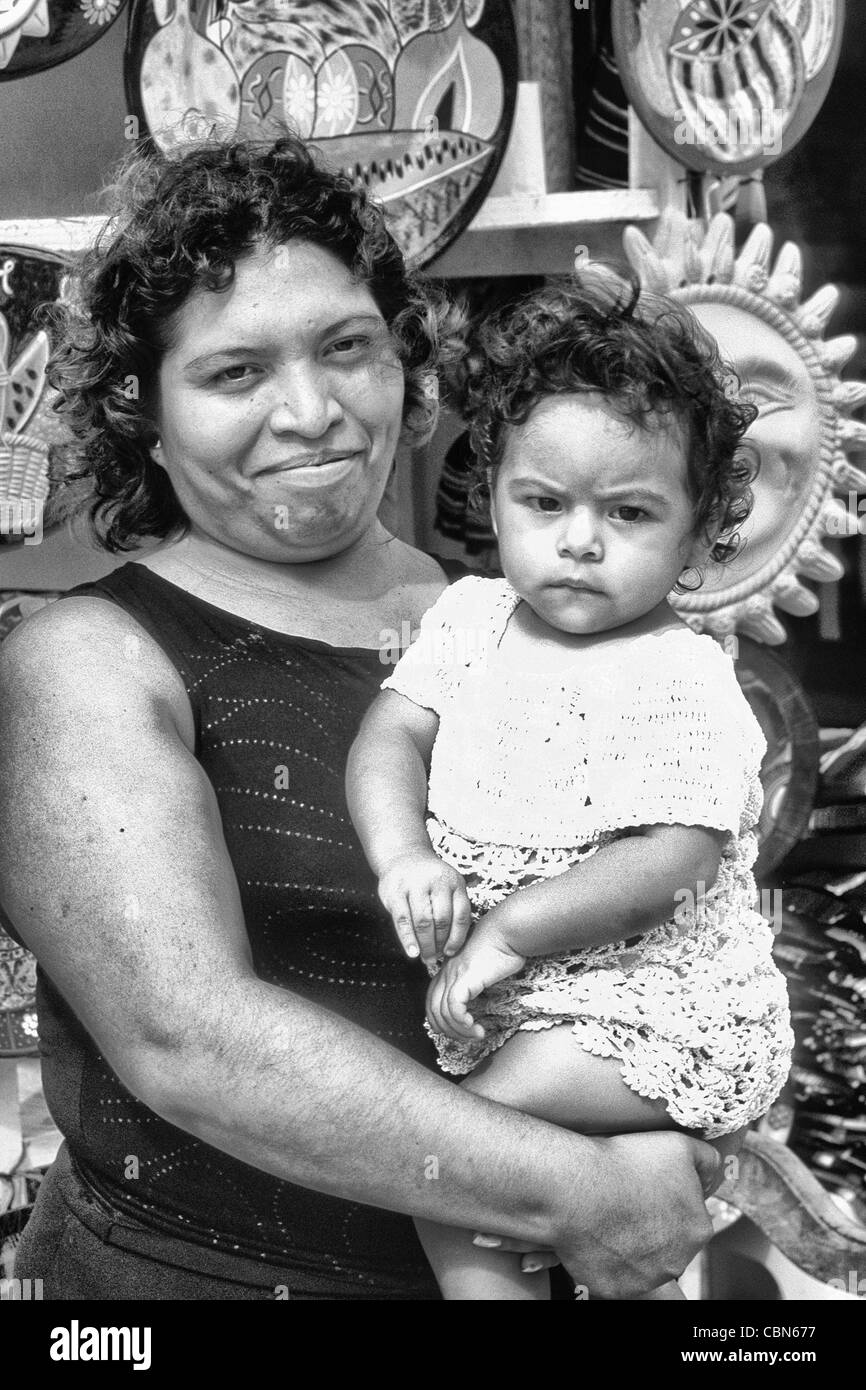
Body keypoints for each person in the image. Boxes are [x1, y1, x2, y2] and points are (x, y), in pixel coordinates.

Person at [0, 138, 721, 1301]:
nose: (310, 411)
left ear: (404, 357)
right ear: (142, 405)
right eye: (235, 373)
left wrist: (669, 1105)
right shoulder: (88, 662)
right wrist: (572, 1189)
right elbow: (189, 1040)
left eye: (346, 348)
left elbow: (636, 920)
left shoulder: (493, 626)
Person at [347, 274, 794, 1300]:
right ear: (493, 490)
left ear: (695, 532)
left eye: (628, 511)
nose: (578, 539)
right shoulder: (468, 621)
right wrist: (402, 854)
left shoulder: (674, 669)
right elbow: (390, 735)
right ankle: (641, 1175)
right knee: (468, 1195)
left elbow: (668, 855)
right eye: (543, 503)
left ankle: (657, 1162)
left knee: (450, 1154)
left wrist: (507, 933)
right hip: (519, 1007)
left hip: (650, 1008)